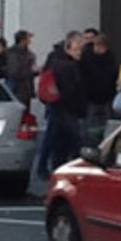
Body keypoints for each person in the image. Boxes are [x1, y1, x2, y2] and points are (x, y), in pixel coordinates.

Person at [46, 34, 87, 171]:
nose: (79, 52)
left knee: (59, 146)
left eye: (80, 49)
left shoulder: (58, 63)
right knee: (72, 145)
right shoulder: (68, 66)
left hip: (58, 109)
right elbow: (71, 91)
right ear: (68, 49)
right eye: (76, 49)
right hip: (67, 111)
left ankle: (57, 171)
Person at [79, 34, 118, 147]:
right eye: (98, 47)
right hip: (91, 98)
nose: (99, 50)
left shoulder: (110, 57)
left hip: (106, 97)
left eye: (102, 47)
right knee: (90, 129)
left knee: (103, 127)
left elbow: (113, 74)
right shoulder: (86, 56)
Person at [6, 30, 37, 109]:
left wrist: (36, 71)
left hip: (27, 89)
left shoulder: (29, 53)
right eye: (28, 38)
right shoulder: (13, 53)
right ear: (23, 40)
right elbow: (14, 72)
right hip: (17, 89)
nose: (30, 41)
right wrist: (31, 71)